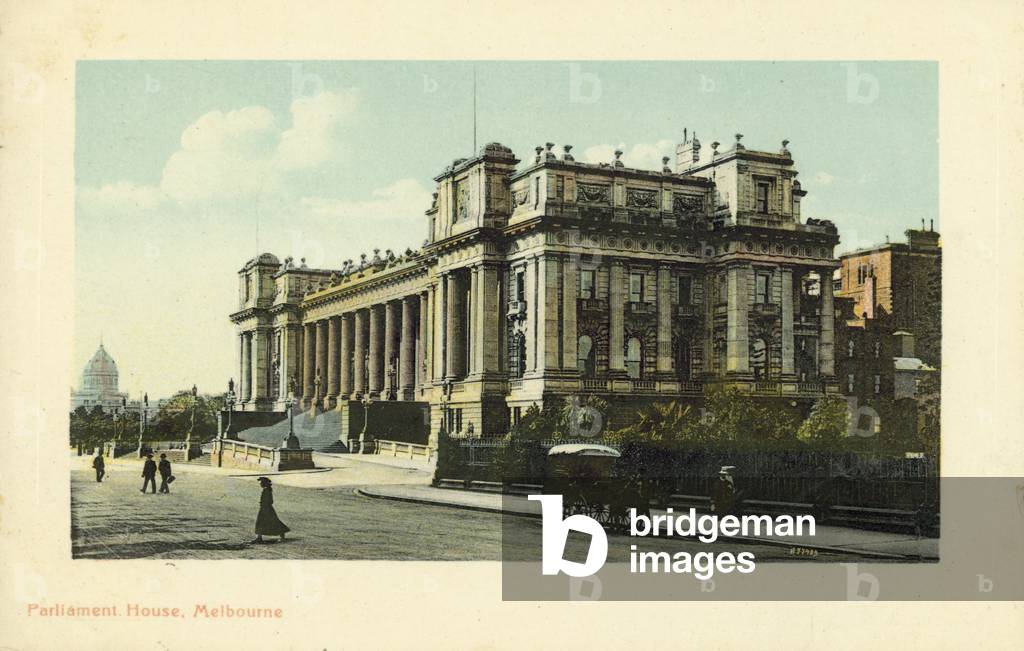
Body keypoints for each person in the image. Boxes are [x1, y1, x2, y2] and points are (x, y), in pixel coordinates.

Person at [253, 477, 290, 543]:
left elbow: (270, 501)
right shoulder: (267, 490)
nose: (260, 484)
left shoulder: (267, 491)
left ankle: (282, 537)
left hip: (267, 509)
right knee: (261, 522)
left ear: (264, 484)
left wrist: (264, 505)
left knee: (273, 522)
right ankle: (259, 537)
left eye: (261, 483)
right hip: (265, 508)